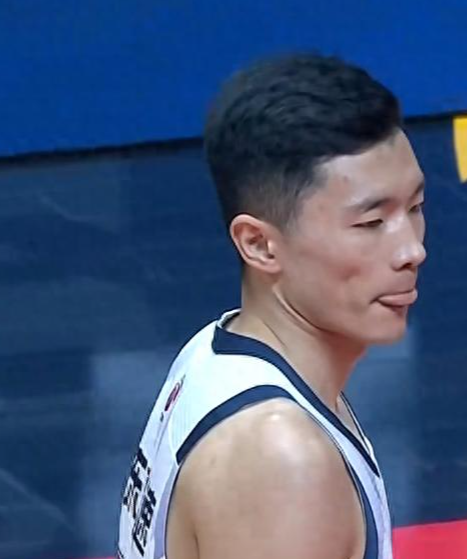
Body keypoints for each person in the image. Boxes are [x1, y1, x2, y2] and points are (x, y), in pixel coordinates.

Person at [116, 53, 427, 559]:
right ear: (259, 244)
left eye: (415, 208)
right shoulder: (281, 459)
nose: (411, 249)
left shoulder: (214, 351)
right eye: (371, 223)